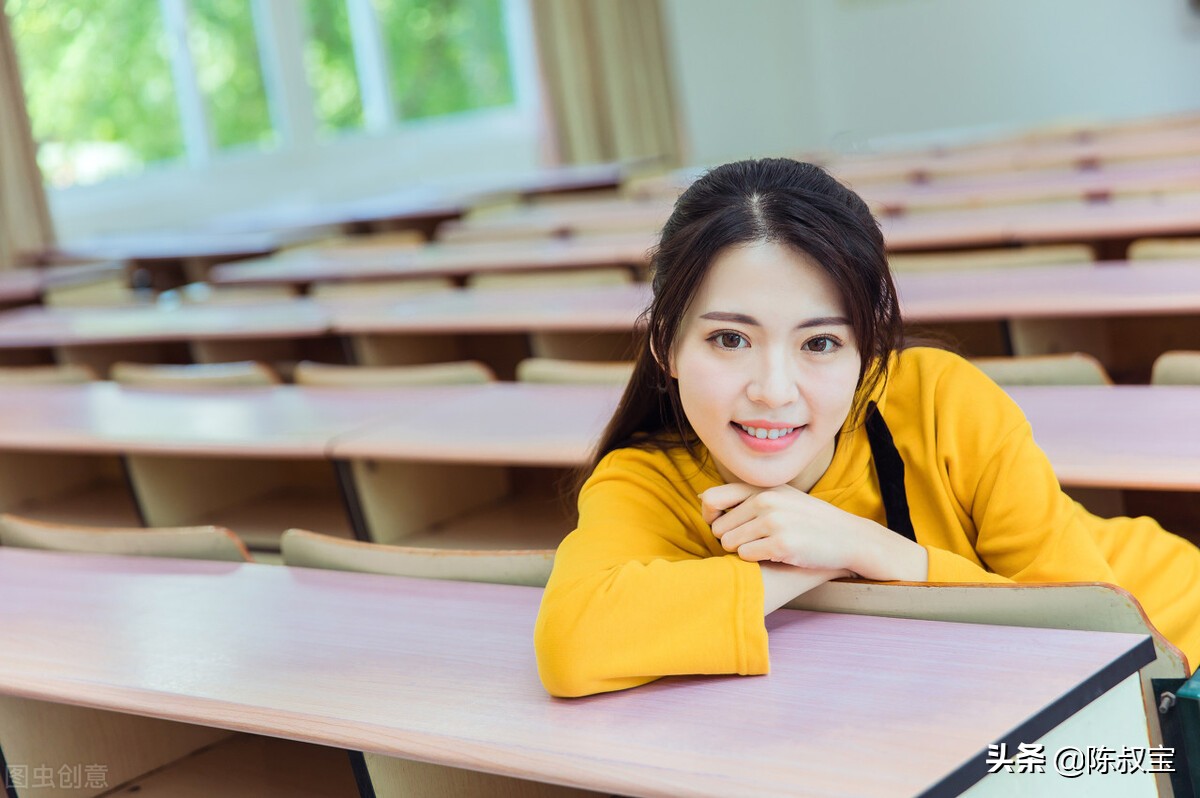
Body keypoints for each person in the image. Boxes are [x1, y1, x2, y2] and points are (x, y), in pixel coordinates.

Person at [533, 157, 1200, 698]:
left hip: (1175, 644)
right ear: (667, 349)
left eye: (819, 344)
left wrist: (867, 550)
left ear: (865, 351)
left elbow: (1088, 633)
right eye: (730, 339)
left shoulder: (939, 398)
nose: (773, 390)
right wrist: (801, 560)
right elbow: (572, 641)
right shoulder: (649, 476)